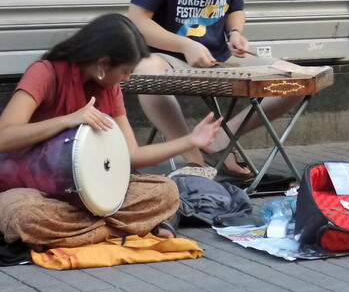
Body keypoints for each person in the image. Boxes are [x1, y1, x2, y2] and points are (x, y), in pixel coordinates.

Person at [0, 14, 223, 248]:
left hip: (89, 195)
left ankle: (84, 233)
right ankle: (119, 229)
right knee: (26, 216)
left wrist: (190, 140)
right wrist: (67, 120)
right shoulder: (45, 73)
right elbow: (4, 136)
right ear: (103, 64)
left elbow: (131, 155)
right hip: (30, 191)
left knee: (166, 191)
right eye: (126, 71)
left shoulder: (111, 86)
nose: (127, 79)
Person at [127, 0, 300, 177]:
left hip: (217, 55)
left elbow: (235, 9)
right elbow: (137, 20)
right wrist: (184, 44)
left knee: (296, 79)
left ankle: (219, 140)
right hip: (167, 55)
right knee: (145, 69)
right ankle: (193, 159)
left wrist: (235, 33)